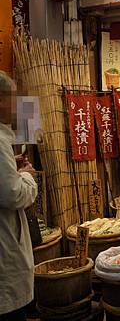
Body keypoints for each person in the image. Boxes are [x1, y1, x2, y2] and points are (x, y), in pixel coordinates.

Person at [0, 71, 38, 321]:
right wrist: (26, 176)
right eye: (14, 98)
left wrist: (10, 166)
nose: (17, 105)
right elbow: (12, 194)